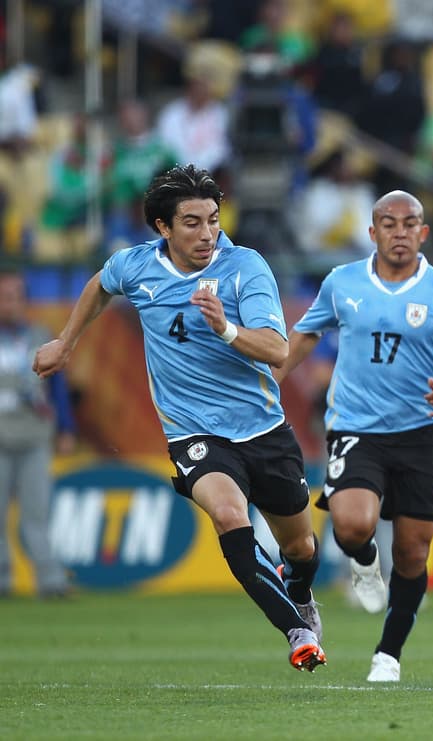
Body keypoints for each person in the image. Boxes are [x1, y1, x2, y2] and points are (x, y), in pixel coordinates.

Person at [32, 164, 327, 672]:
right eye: (191, 222)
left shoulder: (245, 267)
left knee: (300, 546)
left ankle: (299, 590)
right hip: (193, 432)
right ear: (163, 228)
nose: (207, 233)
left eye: (213, 219)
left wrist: (227, 329)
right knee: (231, 516)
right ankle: (297, 632)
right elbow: (101, 284)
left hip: (262, 429)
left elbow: (278, 350)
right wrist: (66, 341)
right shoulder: (137, 266)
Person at [275, 190, 433, 683]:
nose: (399, 233)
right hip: (355, 426)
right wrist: (274, 377)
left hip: (422, 433)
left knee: (414, 552)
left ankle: (387, 654)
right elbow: (307, 334)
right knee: (352, 525)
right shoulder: (342, 282)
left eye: (409, 223)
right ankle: (365, 562)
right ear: (372, 233)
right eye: (388, 224)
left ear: (423, 232)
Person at [0, 270, 75, 598]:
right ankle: (3, 582)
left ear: (25, 301)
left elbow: (58, 387)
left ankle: (50, 581)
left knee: (37, 513)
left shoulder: (40, 336)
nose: (8, 303)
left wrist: (66, 429)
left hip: (33, 437)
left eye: (14, 296)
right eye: (3, 296)